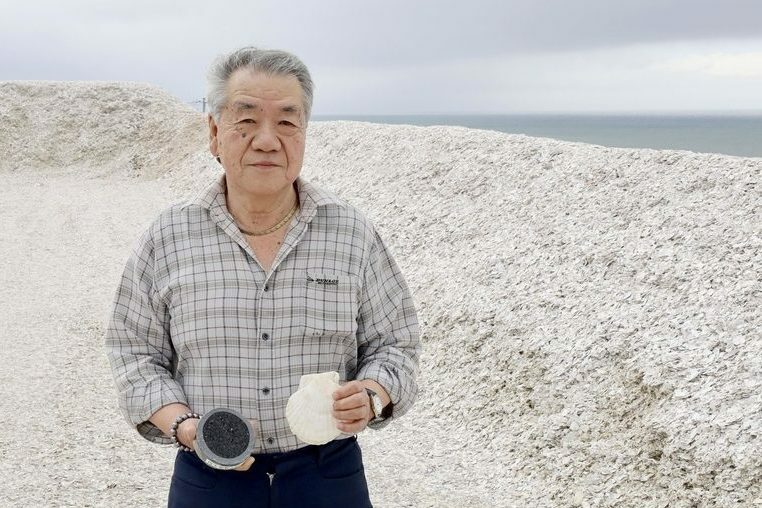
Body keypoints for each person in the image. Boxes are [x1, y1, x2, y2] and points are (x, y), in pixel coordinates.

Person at [103, 47, 421, 508]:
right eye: (246, 120)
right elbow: (134, 352)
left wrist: (372, 395)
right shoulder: (168, 237)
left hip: (328, 474)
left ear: (305, 134)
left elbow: (397, 343)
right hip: (208, 476)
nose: (268, 140)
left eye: (287, 122)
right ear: (215, 133)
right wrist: (184, 427)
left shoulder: (352, 232)